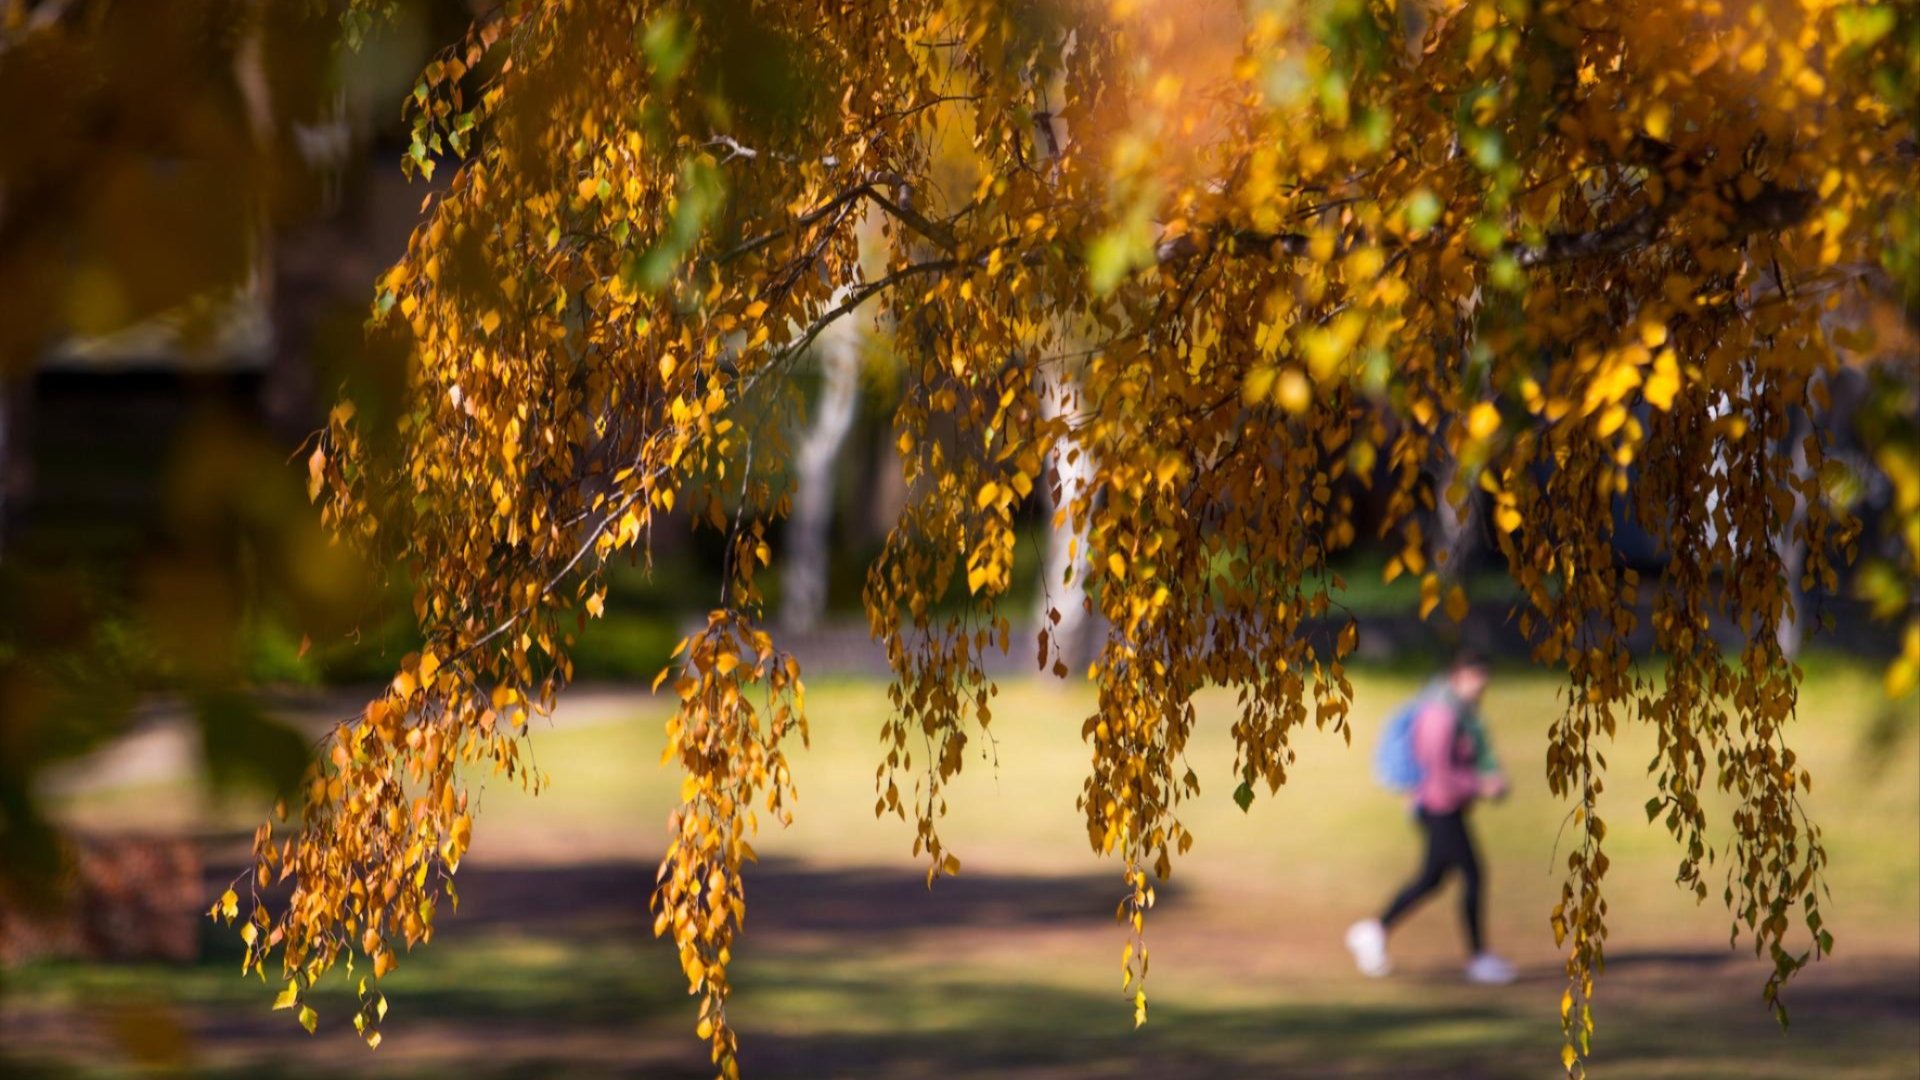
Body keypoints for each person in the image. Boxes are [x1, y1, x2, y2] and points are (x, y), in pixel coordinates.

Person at [1346, 650, 1516, 985]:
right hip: (1439, 808)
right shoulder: (1441, 714)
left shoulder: (1459, 712)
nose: (1480, 689)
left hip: (1444, 807)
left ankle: (1374, 931)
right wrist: (1481, 786)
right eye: (1476, 680)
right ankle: (1478, 958)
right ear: (1459, 676)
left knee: (1432, 878)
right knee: (1472, 875)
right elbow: (1440, 773)